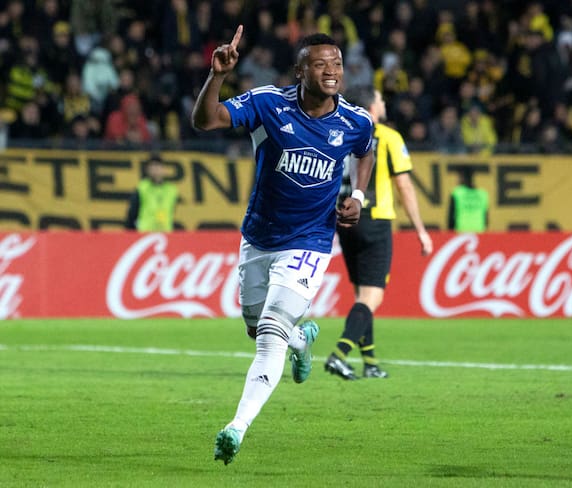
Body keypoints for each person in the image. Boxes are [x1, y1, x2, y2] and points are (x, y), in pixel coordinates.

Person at [191, 26, 375, 465]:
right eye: (320, 64)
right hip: (259, 237)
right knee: (257, 327)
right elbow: (206, 121)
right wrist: (216, 76)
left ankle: (237, 427)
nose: (331, 71)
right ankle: (301, 339)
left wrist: (358, 196)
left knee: (267, 336)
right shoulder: (268, 103)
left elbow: (366, 149)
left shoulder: (355, 120)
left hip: (309, 242)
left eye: (336, 64)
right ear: (301, 71)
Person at [324, 86, 433, 381]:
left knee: (361, 293)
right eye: (380, 99)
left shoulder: (339, 132)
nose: (383, 102)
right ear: (372, 107)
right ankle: (339, 355)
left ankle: (370, 362)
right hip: (375, 219)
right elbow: (405, 186)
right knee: (371, 297)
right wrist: (421, 230)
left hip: (344, 218)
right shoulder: (388, 137)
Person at [125, 153, 178, 231]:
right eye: (152, 167)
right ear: (148, 170)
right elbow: (132, 214)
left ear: (163, 169)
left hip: (166, 234)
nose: (155, 170)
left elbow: (171, 212)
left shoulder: (172, 190)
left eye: (157, 166)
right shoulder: (141, 188)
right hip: (144, 234)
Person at [447, 166, 489, 232]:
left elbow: (451, 218)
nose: (457, 180)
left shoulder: (457, 193)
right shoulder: (483, 194)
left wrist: (450, 233)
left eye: (459, 177)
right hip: (480, 232)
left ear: (462, 178)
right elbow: (486, 219)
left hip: (461, 232)